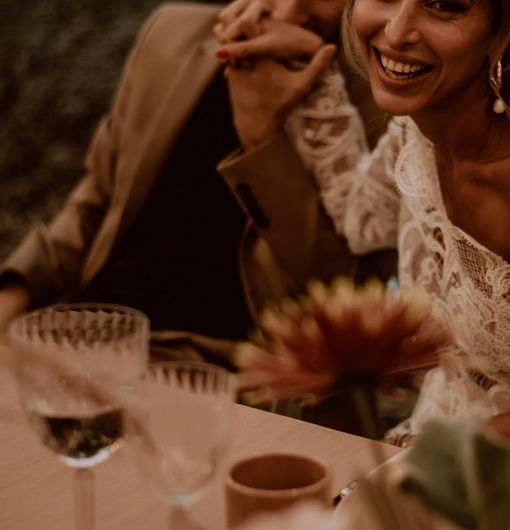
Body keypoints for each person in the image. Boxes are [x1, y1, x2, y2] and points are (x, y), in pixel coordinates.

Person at [220, 0, 510, 505]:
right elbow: (360, 222)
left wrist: (407, 458)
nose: (396, 31)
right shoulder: (415, 122)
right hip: (446, 437)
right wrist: (311, 72)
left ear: (501, 33)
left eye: (444, 5)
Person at [0, 0, 392, 370]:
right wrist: (17, 289)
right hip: (86, 332)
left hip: (220, 371)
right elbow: (98, 200)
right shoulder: (172, 33)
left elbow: (349, 302)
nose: (290, 10)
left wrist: (262, 138)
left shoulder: (378, 106)